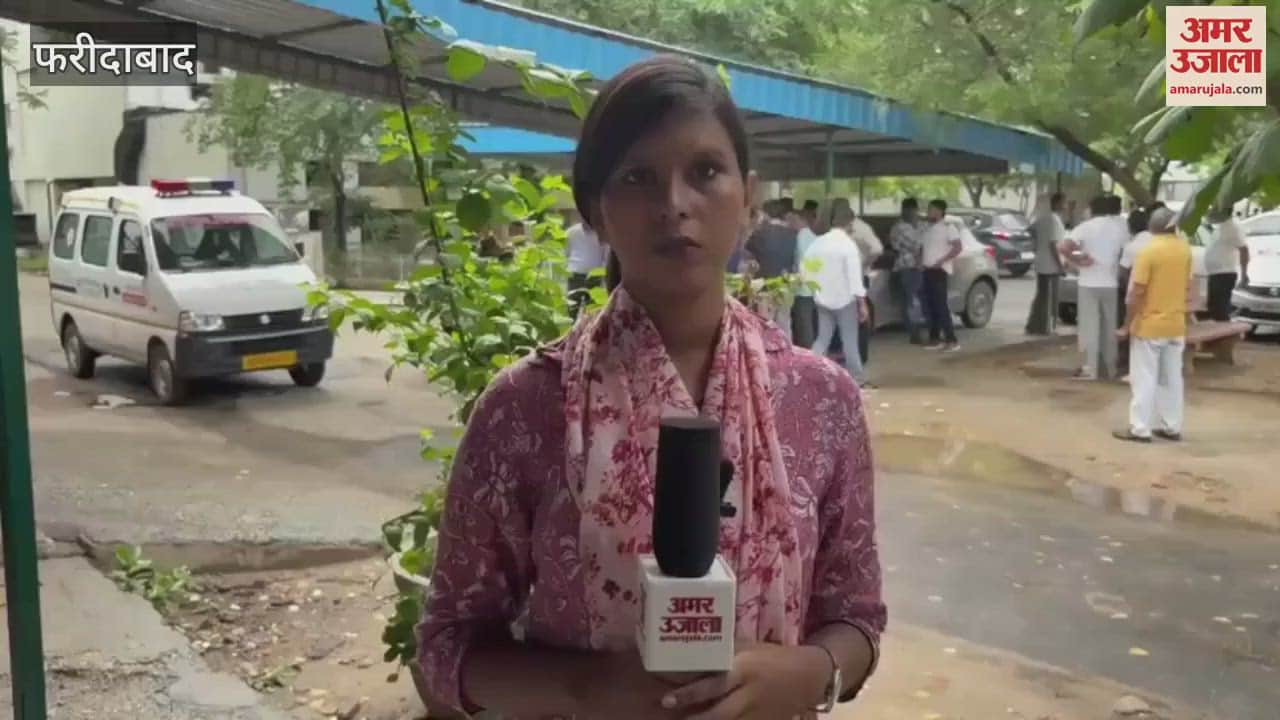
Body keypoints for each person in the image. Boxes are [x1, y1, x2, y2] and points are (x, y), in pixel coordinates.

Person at [418, 55, 885, 720]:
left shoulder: (823, 401)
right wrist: (590, 690)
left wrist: (813, 671)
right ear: (595, 211)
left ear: (747, 196)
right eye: (638, 177)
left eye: (705, 172)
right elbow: (445, 651)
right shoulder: (524, 409)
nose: (674, 205)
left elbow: (857, 617)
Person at [1114, 207, 1194, 443]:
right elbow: (1186, 286)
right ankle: (1172, 426)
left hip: (1150, 326)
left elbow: (1136, 292)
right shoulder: (1184, 250)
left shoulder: (1148, 252)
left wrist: (1126, 326)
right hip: (1175, 325)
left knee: (1144, 377)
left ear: (1151, 227)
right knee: (1172, 378)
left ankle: (1140, 428)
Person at [804, 198, 872, 387]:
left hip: (822, 299)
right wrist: (862, 303)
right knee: (849, 340)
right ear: (848, 222)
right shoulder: (847, 245)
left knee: (822, 339)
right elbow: (854, 278)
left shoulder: (817, 243)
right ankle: (857, 378)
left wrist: (816, 290)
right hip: (845, 300)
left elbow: (806, 269)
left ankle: (807, 373)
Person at [1061, 195, 1127, 380]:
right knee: (1109, 327)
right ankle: (1110, 368)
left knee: (1089, 327)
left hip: (1088, 283)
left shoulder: (1085, 227)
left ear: (1093, 209)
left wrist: (1078, 260)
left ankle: (1090, 369)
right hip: (1111, 284)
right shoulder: (1120, 228)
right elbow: (1125, 252)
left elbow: (1063, 247)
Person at [746, 198, 799, 338]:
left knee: (765, 321)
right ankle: (787, 352)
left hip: (764, 283)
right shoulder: (793, 234)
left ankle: (767, 353)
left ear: (767, 213)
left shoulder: (761, 232)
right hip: (785, 282)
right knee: (784, 322)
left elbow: (748, 248)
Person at [920, 199, 962, 351]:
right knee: (930, 306)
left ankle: (952, 340)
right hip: (927, 270)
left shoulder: (948, 227)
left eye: (931, 209)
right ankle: (935, 338)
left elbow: (958, 247)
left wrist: (942, 260)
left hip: (939, 270)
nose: (928, 212)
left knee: (940, 306)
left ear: (939, 211)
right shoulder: (927, 228)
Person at [1116, 204, 1153, 377]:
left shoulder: (1131, 246)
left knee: (1128, 324)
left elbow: (1123, 273)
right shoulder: (1157, 242)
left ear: (1130, 227)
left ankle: (1126, 364)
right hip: (1157, 294)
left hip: (1135, 292)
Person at [1025, 192, 1066, 336]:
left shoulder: (1044, 218)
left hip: (1042, 261)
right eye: (1063, 202)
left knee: (1042, 296)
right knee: (1048, 298)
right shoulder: (1054, 220)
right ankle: (1045, 327)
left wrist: (1037, 245)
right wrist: (1060, 265)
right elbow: (1053, 245)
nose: (1065, 206)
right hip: (1050, 265)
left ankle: (1034, 325)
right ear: (1057, 203)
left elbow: (1030, 230)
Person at [889, 197, 925, 344]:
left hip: (910, 267)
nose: (914, 214)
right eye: (912, 211)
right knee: (912, 301)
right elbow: (917, 245)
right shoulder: (901, 228)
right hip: (907, 268)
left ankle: (913, 329)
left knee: (909, 301)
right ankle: (914, 331)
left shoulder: (915, 226)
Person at [1203, 206, 1250, 322]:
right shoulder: (1221, 226)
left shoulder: (1233, 227)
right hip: (1215, 274)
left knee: (1220, 309)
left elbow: (1244, 250)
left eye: (1213, 210)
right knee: (1213, 307)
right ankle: (1219, 334)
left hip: (1224, 273)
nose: (1210, 213)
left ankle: (1224, 334)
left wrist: (1244, 274)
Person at [790, 203, 820, 347]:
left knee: (803, 323)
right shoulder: (815, 237)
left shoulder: (800, 238)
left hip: (802, 287)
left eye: (793, 221)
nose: (791, 224)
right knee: (812, 321)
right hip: (815, 285)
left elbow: (801, 262)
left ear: (800, 220)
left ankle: (807, 352)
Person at [566, 216, 608, 318]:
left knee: (593, 305)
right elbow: (567, 251)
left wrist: (604, 272)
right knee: (573, 305)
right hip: (576, 273)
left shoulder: (600, 233)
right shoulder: (572, 232)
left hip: (594, 275)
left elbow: (605, 255)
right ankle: (574, 327)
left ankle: (590, 328)